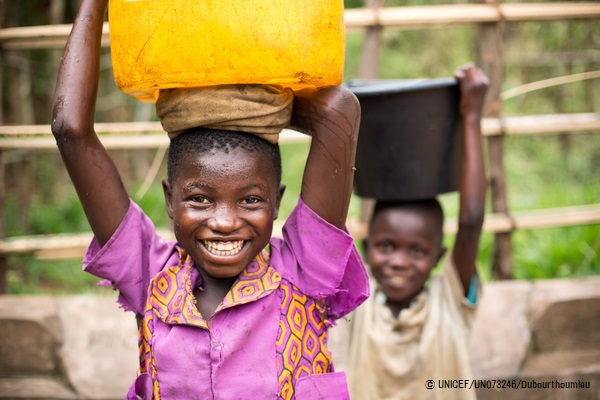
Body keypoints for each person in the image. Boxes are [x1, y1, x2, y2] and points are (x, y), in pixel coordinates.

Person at [50, 0, 369, 398]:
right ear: (169, 201)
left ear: (276, 202)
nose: (223, 221)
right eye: (200, 200)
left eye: (250, 201)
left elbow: (339, 112)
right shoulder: (150, 275)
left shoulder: (303, 272)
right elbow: (70, 130)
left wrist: (255, 104)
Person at [329, 63, 489, 400]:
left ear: (439, 257)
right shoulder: (359, 305)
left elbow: (471, 221)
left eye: (417, 251)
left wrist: (471, 116)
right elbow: (328, 223)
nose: (399, 262)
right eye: (386, 246)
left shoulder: (450, 304)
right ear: (366, 247)